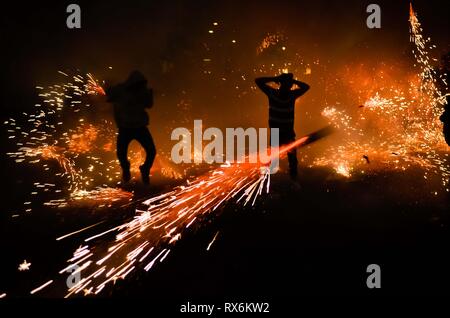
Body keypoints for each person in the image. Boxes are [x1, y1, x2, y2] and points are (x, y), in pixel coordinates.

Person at [255, 73, 310, 178]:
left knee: (287, 159)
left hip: (285, 132)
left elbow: (258, 81)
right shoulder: (287, 94)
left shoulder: (275, 93)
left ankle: (268, 179)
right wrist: (289, 80)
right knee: (285, 159)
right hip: (283, 132)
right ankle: (287, 181)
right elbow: (306, 87)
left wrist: (276, 79)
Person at [105, 70, 156, 184]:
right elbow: (109, 94)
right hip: (125, 128)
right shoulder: (121, 90)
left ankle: (145, 169)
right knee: (121, 154)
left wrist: (150, 94)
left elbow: (149, 105)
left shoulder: (142, 92)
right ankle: (126, 168)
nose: (141, 87)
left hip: (140, 127)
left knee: (151, 151)